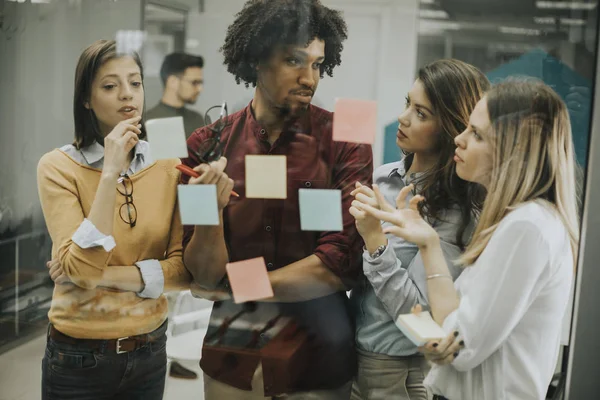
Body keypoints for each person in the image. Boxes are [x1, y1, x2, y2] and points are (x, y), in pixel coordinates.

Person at [181, 0, 373, 398]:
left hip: (318, 348)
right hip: (234, 349)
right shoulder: (207, 145)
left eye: (318, 64)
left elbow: (339, 263)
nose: (310, 78)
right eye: (295, 61)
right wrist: (211, 213)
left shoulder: (346, 143)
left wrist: (239, 284)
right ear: (255, 60)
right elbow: (201, 273)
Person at [358, 79, 579, 400]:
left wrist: (380, 246)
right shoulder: (517, 222)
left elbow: (456, 346)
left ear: (512, 148)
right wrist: (428, 243)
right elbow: (453, 328)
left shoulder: (526, 227)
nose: (458, 139)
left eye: (476, 134)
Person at [37, 39, 191, 400]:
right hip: (78, 356)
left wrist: (98, 276)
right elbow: (83, 269)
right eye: (110, 85)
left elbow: (183, 271)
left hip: (150, 349)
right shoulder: (57, 167)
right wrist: (110, 173)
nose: (128, 95)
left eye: (135, 83)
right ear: (86, 99)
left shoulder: (169, 163)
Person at [348, 59, 489, 400]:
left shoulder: (456, 210)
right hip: (349, 361)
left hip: (400, 374)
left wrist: (375, 243)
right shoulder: (383, 176)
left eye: (421, 113)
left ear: (451, 127)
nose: (403, 117)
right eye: (407, 103)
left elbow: (424, 323)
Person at [146, 52, 208, 138]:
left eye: (200, 83)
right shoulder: (146, 122)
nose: (200, 89)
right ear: (172, 82)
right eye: (194, 83)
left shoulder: (200, 120)